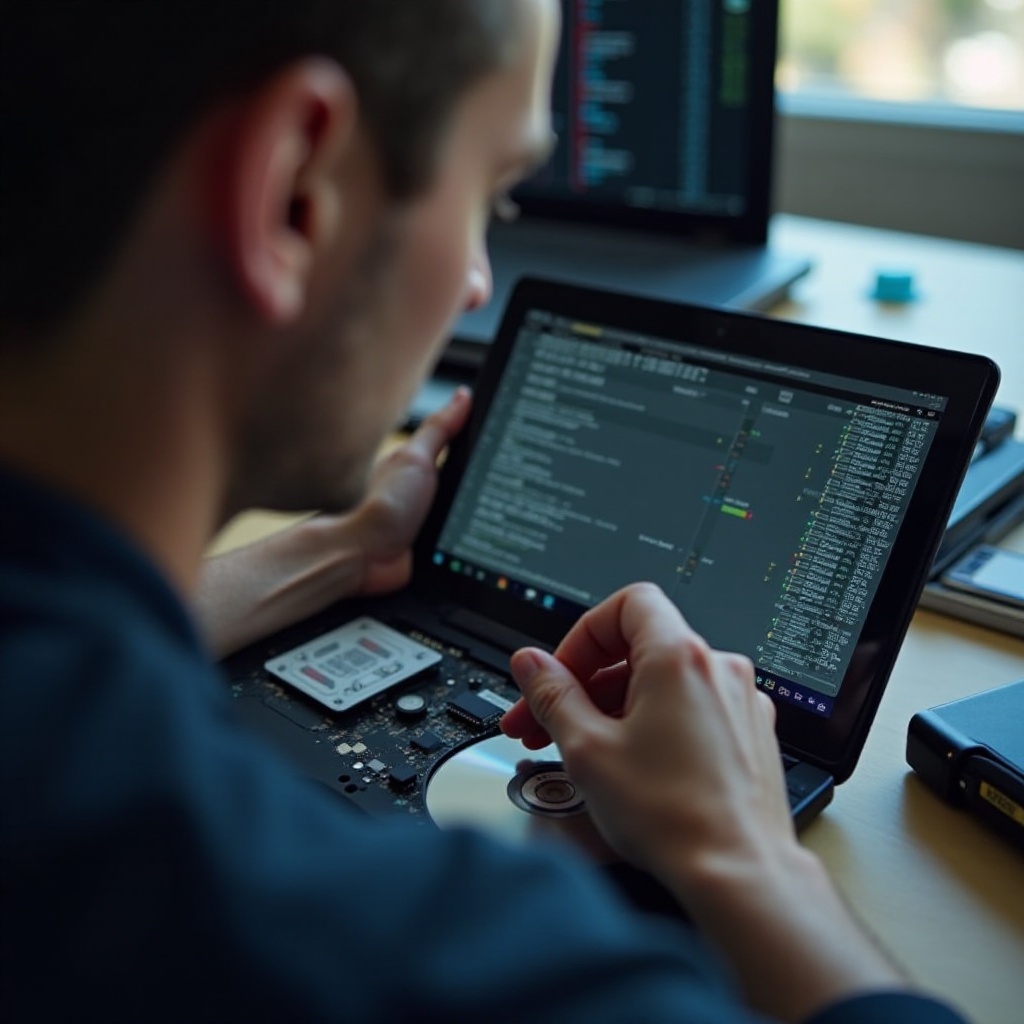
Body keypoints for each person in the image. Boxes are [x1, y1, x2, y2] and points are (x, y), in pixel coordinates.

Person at [0, 2, 968, 1022]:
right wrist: (744, 854)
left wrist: (345, 550)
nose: (472, 287)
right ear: (294, 191)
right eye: (492, 195)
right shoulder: (409, 954)